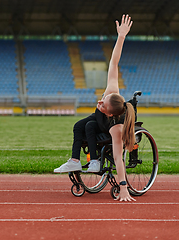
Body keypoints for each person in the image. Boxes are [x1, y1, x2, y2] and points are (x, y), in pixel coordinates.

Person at [54, 14, 136, 202]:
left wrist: (123, 187)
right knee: (81, 125)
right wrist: (121, 36)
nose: (99, 103)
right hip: (98, 121)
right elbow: (114, 62)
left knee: (91, 126)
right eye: (102, 100)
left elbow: (117, 158)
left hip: (105, 127)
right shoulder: (112, 91)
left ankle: (95, 161)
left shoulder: (117, 128)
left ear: (109, 113)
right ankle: (77, 161)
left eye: (102, 105)